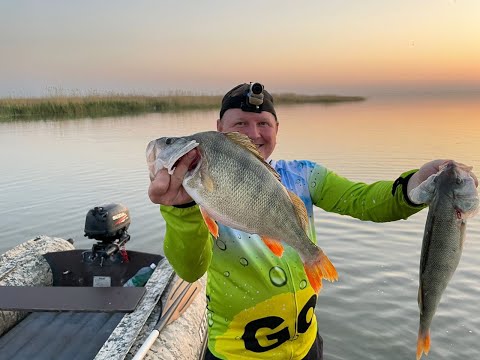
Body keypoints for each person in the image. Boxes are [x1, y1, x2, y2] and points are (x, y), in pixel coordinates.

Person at [148, 82, 473, 360]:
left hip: (306, 345)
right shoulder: (195, 193)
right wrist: (181, 211)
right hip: (236, 353)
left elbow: (363, 201)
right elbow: (190, 269)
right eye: (240, 124)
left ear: (277, 129)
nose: (254, 133)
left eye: (264, 123)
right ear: (219, 130)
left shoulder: (303, 175)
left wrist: (413, 184)